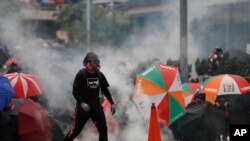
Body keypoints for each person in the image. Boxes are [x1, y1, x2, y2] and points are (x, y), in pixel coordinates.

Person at [64, 52, 116, 141]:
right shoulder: (81, 74)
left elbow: (105, 90)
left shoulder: (100, 75)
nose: (93, 65)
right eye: (91, 62)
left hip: (97, 108)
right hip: (83, 109)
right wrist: (82, 103)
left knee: (103, 130)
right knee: (76, 131)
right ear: (86, 63)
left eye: (96, 62)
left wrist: (112, 103)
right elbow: (75, 91)